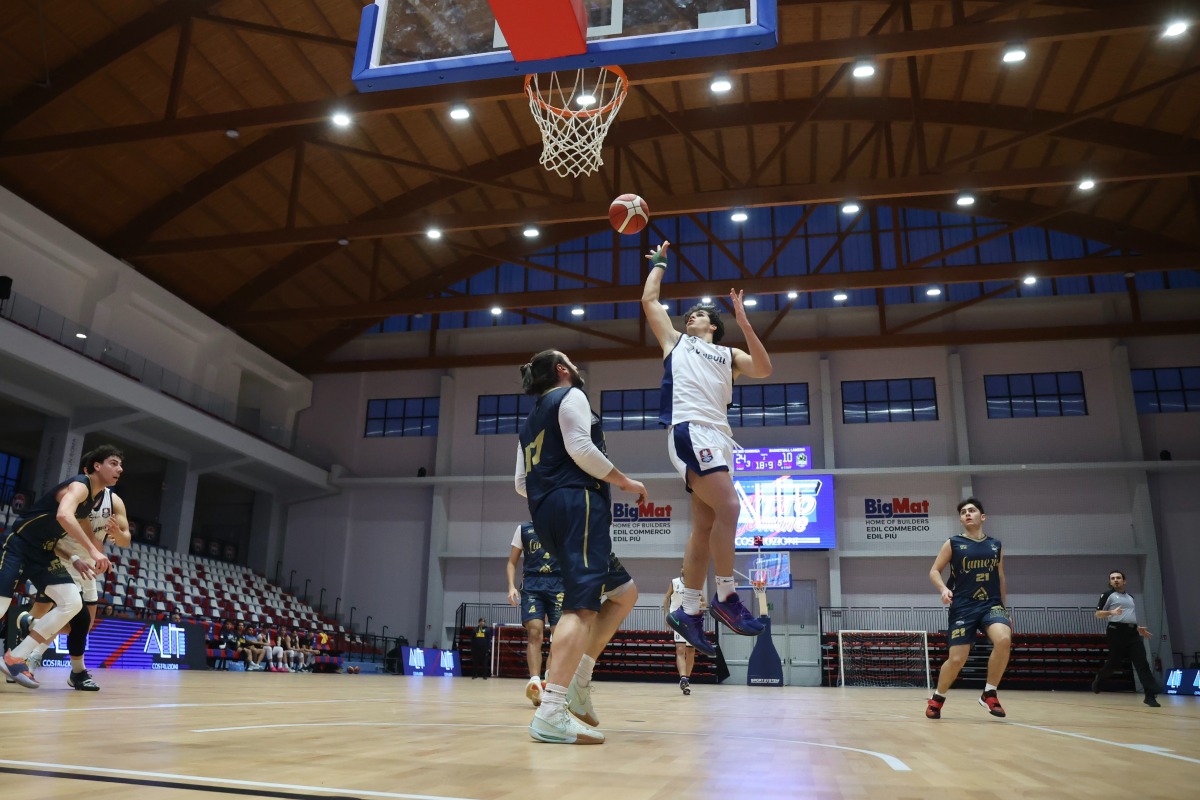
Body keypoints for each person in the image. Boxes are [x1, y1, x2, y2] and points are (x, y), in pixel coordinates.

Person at [641, 241, 773, 656]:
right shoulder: (676, 342)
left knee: (704, 526)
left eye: (699, 314)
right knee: (731, 508)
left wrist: (745, 323)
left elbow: (765, 369)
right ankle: (727, 597)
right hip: (690, 430)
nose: (692, 316)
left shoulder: (729, 355)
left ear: (714, 325)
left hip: (720, 438)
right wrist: (660, 265)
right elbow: (649, 299)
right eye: (690, 314)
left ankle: (689, 609)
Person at [515, 349, 646, 745]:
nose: (576, 367)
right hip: (579, 504)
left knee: (624, 593)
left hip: (546, 512)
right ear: (562, 370)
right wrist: (625, 482)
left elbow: (522, 482)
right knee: (581, 606)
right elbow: (581, 449)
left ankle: (578, 681)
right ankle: (552, 710)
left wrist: (553, 494)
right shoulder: (570, 395)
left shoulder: (529, 422)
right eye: (571, 362)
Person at [0, 445, 117, 688]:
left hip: (44, 552)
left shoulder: (91, 501)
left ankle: (15, 658)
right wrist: (94, 551)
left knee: (73, 602)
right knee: (0, 606)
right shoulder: (79, 486)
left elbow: (69, 531)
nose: (120, 469)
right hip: (20, 544)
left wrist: (77, 557)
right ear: (97, 466)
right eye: (114, 463)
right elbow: (64, 516)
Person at [21, 464, 133, 691]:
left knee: (83, 626)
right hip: (62, 558)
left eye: (120, 465)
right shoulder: (78, 492)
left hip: (88, 565)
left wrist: (118, 534)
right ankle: (30, 662)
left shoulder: (115, 501)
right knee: (66, 614)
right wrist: (88, 553)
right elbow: (62, 527)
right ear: (91, 469)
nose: (119, 469)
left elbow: (125, 540)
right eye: (113, 464)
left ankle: (32, 632)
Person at [925, 497, 1013, 719]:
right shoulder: (953, 543)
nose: (967, 513)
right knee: (956, 660)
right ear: (961, 520)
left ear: (982, 517)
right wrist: (944, 589)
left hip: (991, 603)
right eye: (963, 512)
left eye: (972, 510)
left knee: (1003, 639)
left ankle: (989, 692)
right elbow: (934, 571)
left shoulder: (995, 545)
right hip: (963, 605)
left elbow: (1000, 576)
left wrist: (1005, 607)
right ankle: (938, 697)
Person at [506, 520, 564, 706]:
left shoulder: (563, 526)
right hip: (532, 584)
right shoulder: (523, 529)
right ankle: (534, 681)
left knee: (559, 637)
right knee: (534, 632)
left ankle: (549, 684)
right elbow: (511, 562)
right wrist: (511, 587)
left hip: (559, 584)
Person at [1092, 570, 1160, 707]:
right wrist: (1111, 612)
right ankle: (1099, 677)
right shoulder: (1108, 595)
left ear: (1124, 581)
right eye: (1112, 578)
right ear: (1110, 581)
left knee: (1142, 663)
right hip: (1115, 632)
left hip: (1132, 633)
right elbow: (1097, 614)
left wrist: (1137, 627)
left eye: (1118, 577)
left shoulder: (1130, 597)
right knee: (1114, 663)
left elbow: (1129, 616)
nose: (1115, 580)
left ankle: (1150, 695)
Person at [663, 574, 703, 695]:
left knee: (691, 652)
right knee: (680, 649)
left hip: (692, 622)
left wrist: (699, 605)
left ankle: (687, 681)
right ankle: (683, 678)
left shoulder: (696, 583)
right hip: (678, 620)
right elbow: (666, 598)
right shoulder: (674, 582)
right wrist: (666, 615)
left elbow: (704, 602)